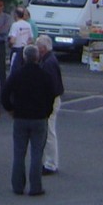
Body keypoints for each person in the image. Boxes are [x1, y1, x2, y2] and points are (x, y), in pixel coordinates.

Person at [1, 45, 55, 196]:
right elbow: (51, 96)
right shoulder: (44, 75)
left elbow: (5, 93)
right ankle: (36, 187)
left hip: (20, 117)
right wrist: (47, 112)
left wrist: (11, 109)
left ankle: (18, 186)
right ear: (37, 57)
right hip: (39, 118)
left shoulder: (17, 74)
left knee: (19, 153)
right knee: (37, 154)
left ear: (24, 57)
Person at [36, 34, 64, 175]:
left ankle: (51, 163)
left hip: (50, 101)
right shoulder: (50, 60)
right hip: (53, 99)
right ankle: (49, 161)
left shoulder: (48, 63)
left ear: (43, 48)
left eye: (38, 48)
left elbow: (50, 86)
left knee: (49, 132)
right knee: (48, 132)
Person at [7, 7, 33, 72]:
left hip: (16, 50)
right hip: (25, 50)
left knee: (14, 70)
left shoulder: (15, 25)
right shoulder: (28, 25)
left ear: (16, 15)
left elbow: (12, 40)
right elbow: (31, 39)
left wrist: (10, 44)